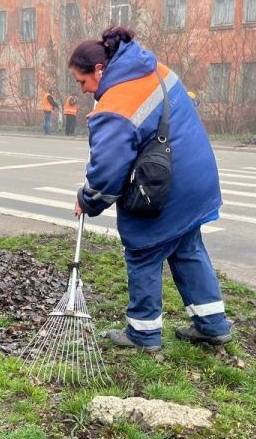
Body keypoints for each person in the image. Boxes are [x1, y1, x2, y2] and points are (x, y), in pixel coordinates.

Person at [69, 27, 232, 352]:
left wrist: (87, 200)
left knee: (143, 253)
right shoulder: (155, 70)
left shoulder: (115, 107)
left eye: (82, 82)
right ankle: (213, 325)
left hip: (164, 190)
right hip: (196, 178)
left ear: (100, 70)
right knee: (187, 248)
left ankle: (143, 335)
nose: (85, 90)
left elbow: (106, 177)